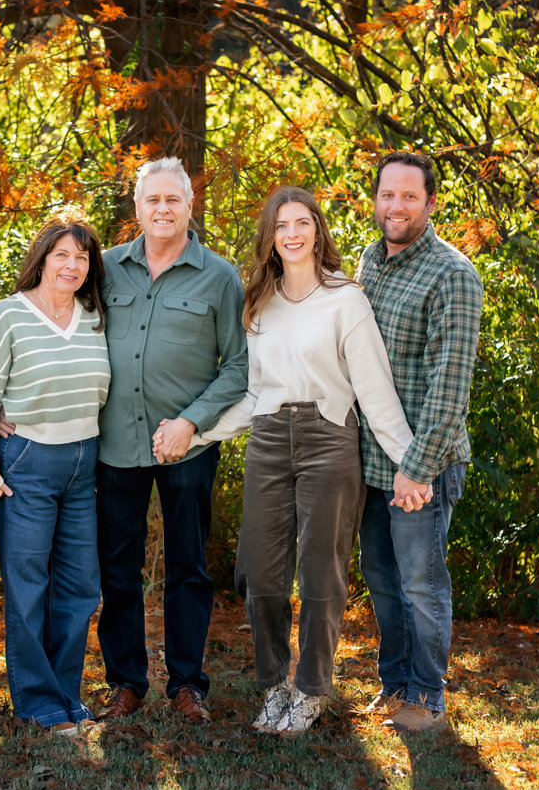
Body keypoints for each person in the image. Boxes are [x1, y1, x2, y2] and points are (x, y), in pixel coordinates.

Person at [193, 186, 416, 733]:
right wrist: (199, 435)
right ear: (269, 237)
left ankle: (313, 689)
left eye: (301, 223)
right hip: (268, 439)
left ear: (318, 230)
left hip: (328, 437)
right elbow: (251, 394)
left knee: (321, 570)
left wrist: (411, 463)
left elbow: (375, 391)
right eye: (280, 225)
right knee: (260, 573)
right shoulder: (258, 305)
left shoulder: (346, 300)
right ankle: (273, 685)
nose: (291, 234)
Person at [93, 157, 248, 723]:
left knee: (188, 568)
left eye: (173, 200)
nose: (162, 209)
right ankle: (126, 683)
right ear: (136, 208)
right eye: (151, 200)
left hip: (189, 448)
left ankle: (187, 685)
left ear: (189, 206)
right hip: (114, 444)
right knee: (117, 569)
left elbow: (237, 366)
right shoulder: (103, 269)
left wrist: (191, 422)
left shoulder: (219, 276)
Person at [0, 211, 110, 735]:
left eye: (82, 256)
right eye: (62, 255)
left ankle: (66, 695)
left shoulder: (95, 314)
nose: (72, 265)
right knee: (28, 586)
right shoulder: (9, 314)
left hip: (84, 463)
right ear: (42, 260)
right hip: (27, 460)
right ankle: (36, 702)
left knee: (79, 586)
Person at [356, 151, 483, 732]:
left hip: (421, 466)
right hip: (370, 460)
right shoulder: (369, 260)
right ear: (375, 199)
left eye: (410, 196)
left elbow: (449, 386)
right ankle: (396, 682)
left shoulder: (452, 274)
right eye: (388, 195)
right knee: (382, 580)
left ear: (431, 203)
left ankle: (428, 697)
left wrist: (417, 468)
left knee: (421, 584)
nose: (396, 206)